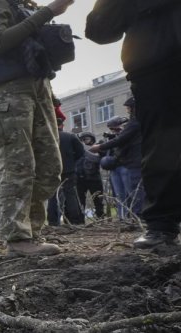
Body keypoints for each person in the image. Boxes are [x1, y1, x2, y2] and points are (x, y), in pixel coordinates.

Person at [0, 0, 76, 256]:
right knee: (18, 166)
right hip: (6, 92)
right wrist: (48, 12)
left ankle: (31, 233)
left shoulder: (23, 7)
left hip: (37, 88)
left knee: (49, 166)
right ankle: (17, 238)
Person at [86, 0, 181, 248]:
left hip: (152, 63)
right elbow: (99, 30)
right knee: (161, 146)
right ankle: (161, 226)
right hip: (155, 68)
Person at [91, 105, 143, 221]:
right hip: (114, 168)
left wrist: (111, 140)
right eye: (111, 127)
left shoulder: (129, 129)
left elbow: (121, 142)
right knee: (119, 195)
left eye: (115, 127)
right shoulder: (109, 137)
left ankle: (134, 217)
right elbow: (106, 152)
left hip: (126, 166)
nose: (112, 129)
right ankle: (122, 217)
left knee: (131, 193)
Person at [47, 118, 85, 225]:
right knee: (71, 194)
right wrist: (71, 161)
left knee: (52, 196)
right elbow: (81, 152)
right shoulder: (70, 136)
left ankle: (53, 221)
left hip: (52, 170)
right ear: (61, 125)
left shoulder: (47, 138)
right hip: (68, 170)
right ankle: (75, 220)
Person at [75, 132, 105, 219]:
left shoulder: (98, 148)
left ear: (92, 139)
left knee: (98, 200)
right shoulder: (79, 149)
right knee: (80, 201)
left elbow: (100, 158)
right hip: (80, 179)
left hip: (94, 179)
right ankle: (80, 220)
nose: (85, 141)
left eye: (87, 139)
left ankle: (100, 218)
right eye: (83, 140)